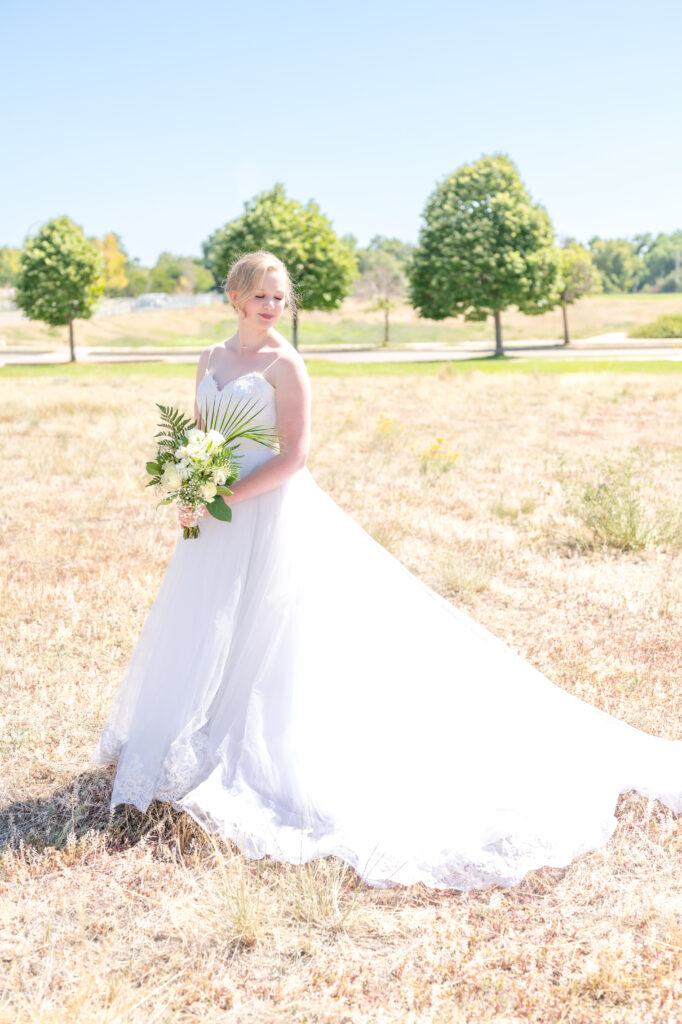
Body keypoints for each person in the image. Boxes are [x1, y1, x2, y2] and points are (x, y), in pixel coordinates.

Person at [93, 250, 682, 892]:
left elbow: (294, 456)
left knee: (268, 629)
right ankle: (191, 733)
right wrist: (192, 483)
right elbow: (199, 437)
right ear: (236, 296)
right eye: (261, 295)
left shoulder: (285, 364)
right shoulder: (209, 359)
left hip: (266, 512)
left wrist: (226, 495)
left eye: (279, 298)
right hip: (212, 517)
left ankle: (250, 748)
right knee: (206, 622)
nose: (270, 306)